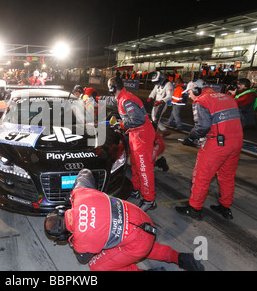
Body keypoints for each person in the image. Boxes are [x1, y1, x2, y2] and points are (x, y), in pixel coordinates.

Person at [44, 169, 204, 271]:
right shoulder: (80, 194)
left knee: (97, 266)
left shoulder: (81, 243)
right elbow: (85, 173)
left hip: (138, 242)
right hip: (144, 219)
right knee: (134, 241)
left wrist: (74, 241)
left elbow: (84, 258)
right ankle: (182, 258)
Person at [175, 80, 243, 221]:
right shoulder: (227, 98)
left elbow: (202, 126)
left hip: (218, 144)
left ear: (196, 90)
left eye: (188, 92)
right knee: (227, 177)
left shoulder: (201, 100)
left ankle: (194, 209)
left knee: (201, 177)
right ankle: (225, 207)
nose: (188, 96)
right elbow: (241, 120)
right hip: (236, 142)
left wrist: (191, 138)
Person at [106, 76, 157, 211]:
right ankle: (136, 188)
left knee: (144, 168)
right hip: (136, 134)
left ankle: (149, 199)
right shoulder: (122, 97)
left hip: (142, 134)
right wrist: (96, 99)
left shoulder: (126, 100)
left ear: (112, 88)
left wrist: (121, 124)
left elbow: (137, 119)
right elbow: (111, 100)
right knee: (135, 164)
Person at [147, 71, 173, 136]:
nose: (156, 83)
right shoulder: (157, 85)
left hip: (162, 104)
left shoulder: (168, 84)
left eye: (156, 81)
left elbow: (169, 96)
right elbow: (154, 91)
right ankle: (164, 130)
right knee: (153, 117)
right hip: (156, 103)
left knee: (156, 119)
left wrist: (162, 101)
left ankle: (154, 133)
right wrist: (150, 97)